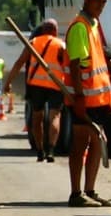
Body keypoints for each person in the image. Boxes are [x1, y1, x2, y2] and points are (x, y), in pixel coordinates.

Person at [64, 0, 111, 206]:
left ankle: (90, 190)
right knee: (80, 143)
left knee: (97, 142)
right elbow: (76, 65)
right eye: (97, 0)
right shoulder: (79, 27)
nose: (101, 5)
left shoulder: (93, 24)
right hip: (84, 97)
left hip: (97, 99)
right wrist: (78, 97)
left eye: (104, 1)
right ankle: (76, 193)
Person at [8, 18, 70, 162]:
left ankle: (40, 150)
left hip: (36, 86)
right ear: (55, 31)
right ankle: (51, 151)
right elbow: (68, 68)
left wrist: (8, 83)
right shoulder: (61, 45)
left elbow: (19, 64)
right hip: (56, 85)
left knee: (37, 118)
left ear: (42, 30)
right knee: (55, 117)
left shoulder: (33, 43)